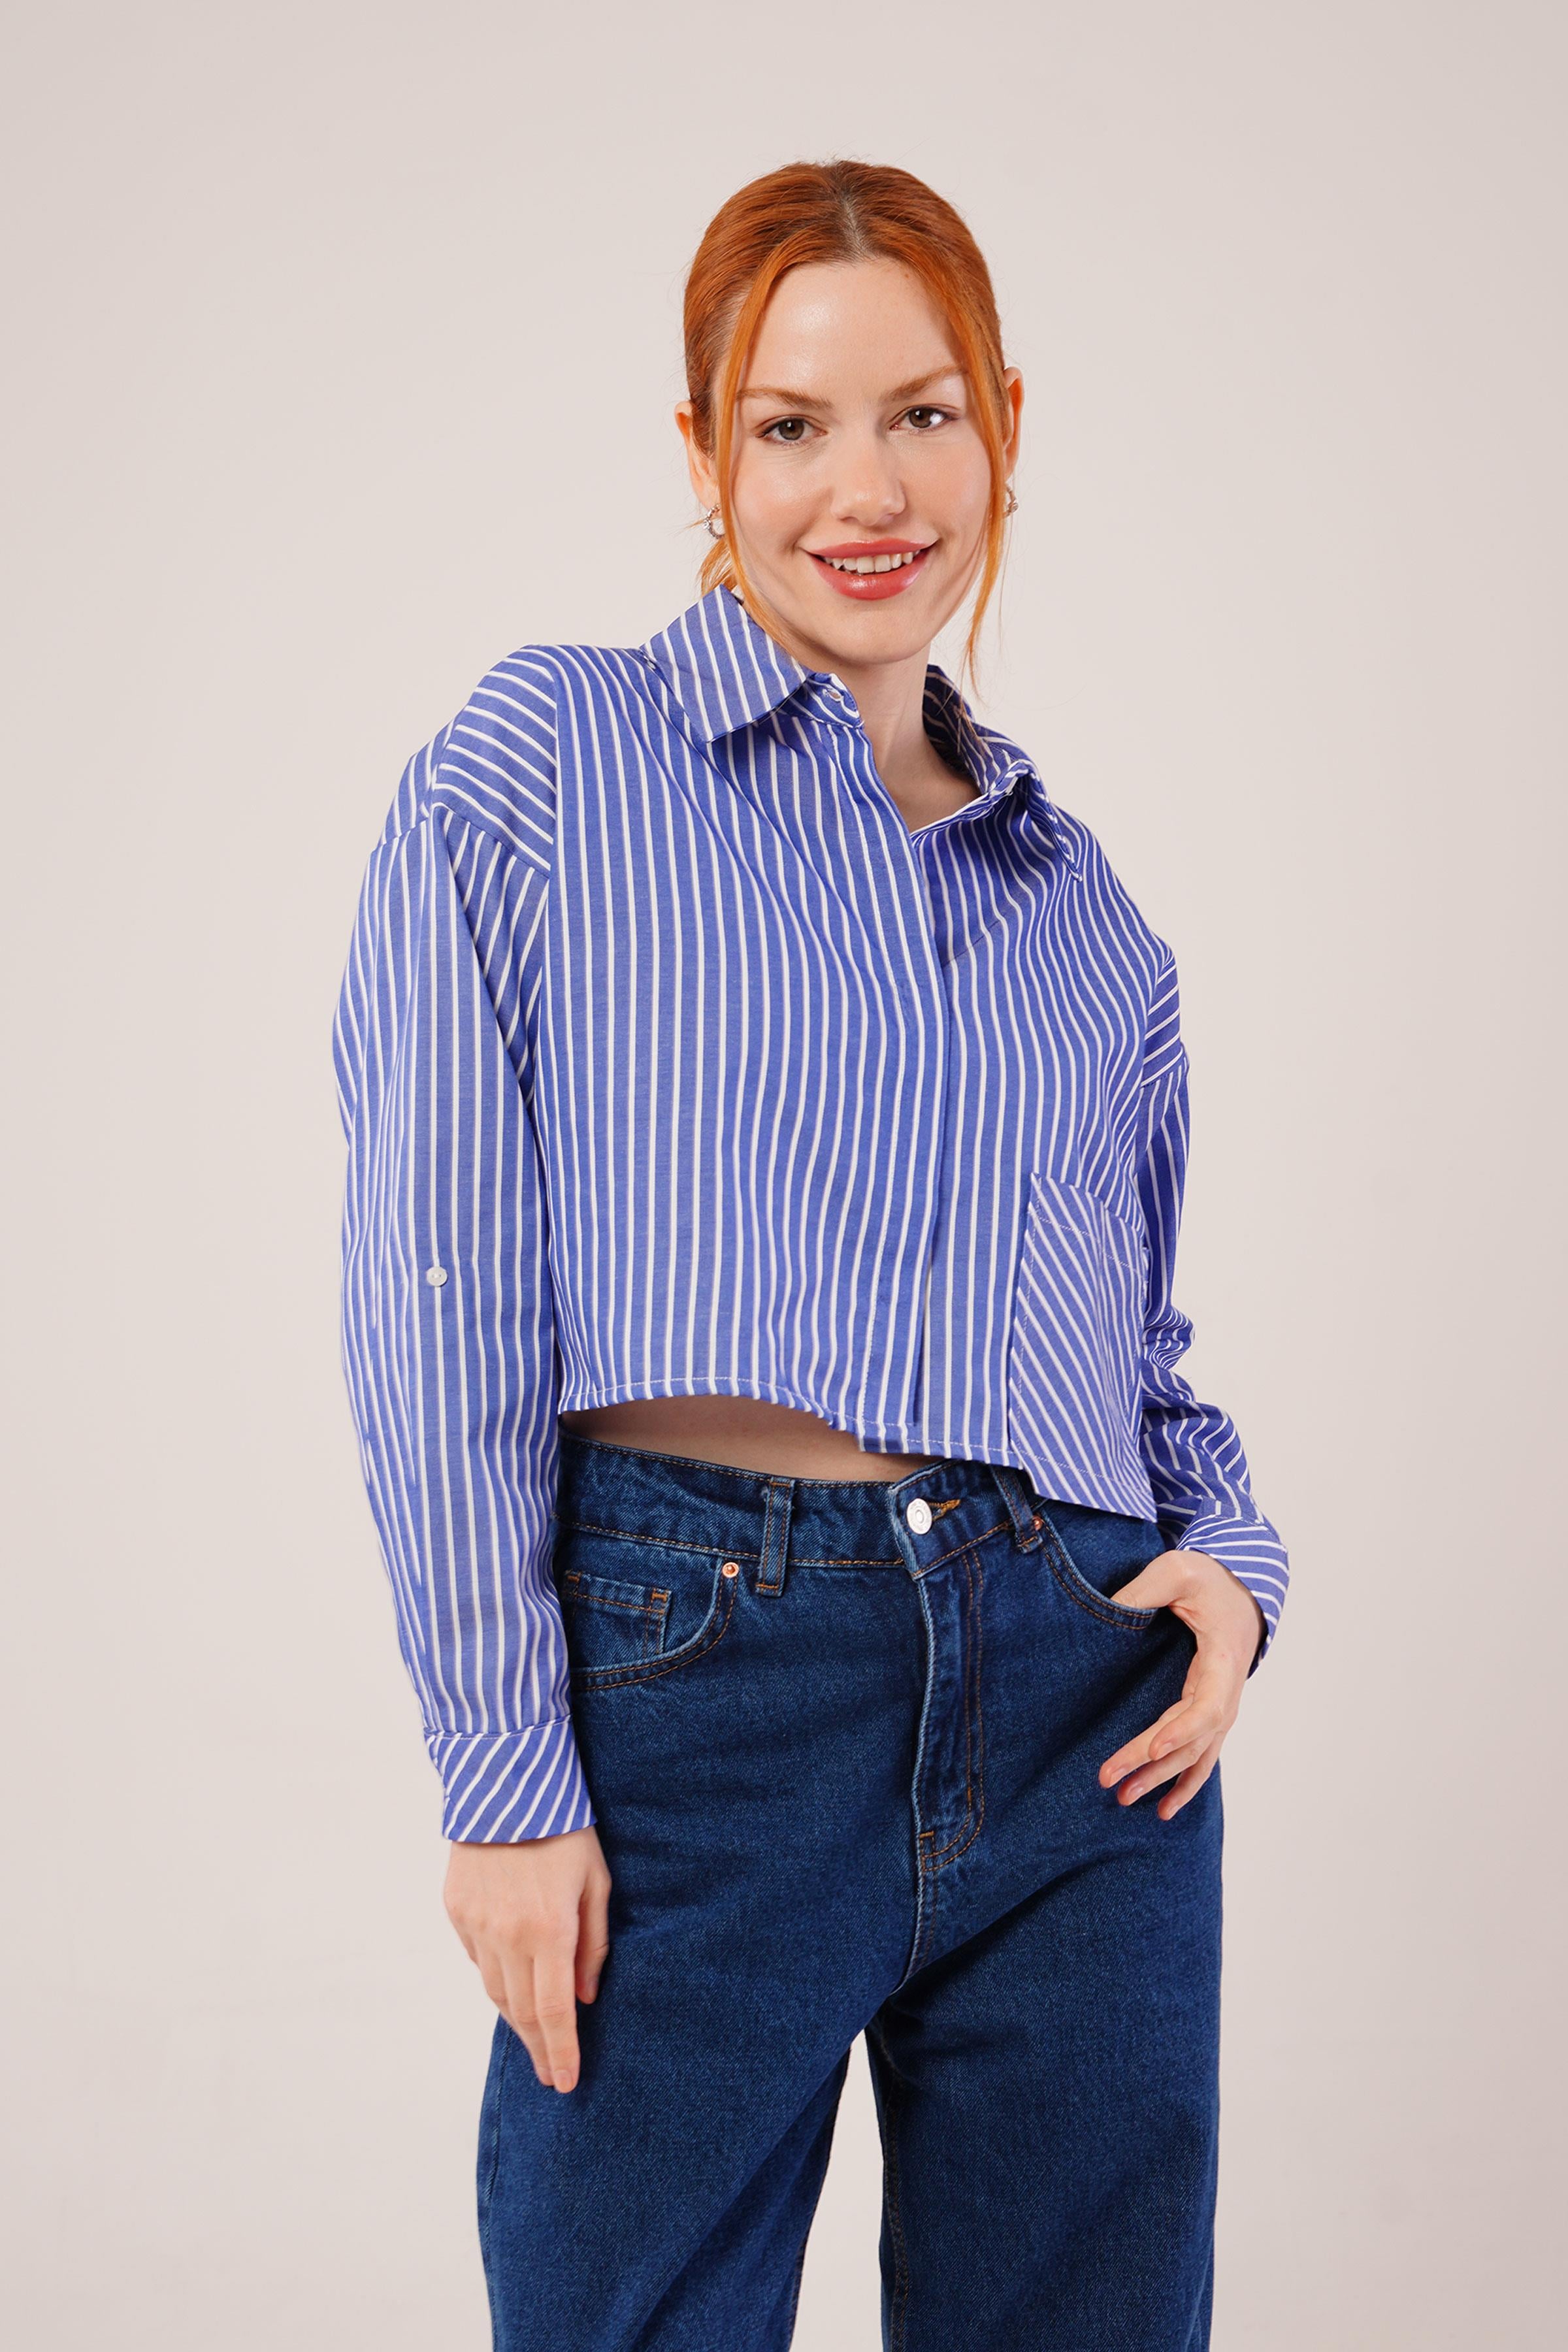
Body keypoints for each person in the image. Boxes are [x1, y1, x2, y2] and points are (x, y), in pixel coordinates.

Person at [333, 157, 1288, 2352]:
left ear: (1005, 432)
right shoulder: (544, 768)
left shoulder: (1084, 913)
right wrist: (504, 1776)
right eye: (792, 425)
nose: (869, 490)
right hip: (697, 1694)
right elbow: (435, 1289)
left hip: (1085, 1713)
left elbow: (1133, 1353)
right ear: (703, 452)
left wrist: (1233, 1560)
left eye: (924, 415)